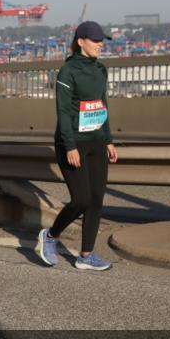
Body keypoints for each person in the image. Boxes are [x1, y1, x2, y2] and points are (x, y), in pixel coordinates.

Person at [36, 21, 118, 271]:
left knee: (96, 200)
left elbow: (100, 105)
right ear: (80, 41)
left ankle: (86, 255)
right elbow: (62, 111)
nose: (100, 44)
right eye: (95, 40)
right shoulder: (67, 72)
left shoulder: (100, 70)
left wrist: (108, 140)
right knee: (81, 199)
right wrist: (70, 146)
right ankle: (50, 236)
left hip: (96, 141)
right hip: (72, 143)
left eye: (102, 40)